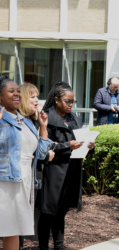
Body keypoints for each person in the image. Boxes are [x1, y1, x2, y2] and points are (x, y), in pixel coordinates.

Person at [36, 81, 96, 250]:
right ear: (56, 99)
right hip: (54, 171)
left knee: (62, 210)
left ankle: (59, 246)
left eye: (73, 101)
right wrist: (67, 146)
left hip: (72, 169)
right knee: (49, 211)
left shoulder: (72, 118)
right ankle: (43, 247)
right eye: (67, 101)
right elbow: (45, 145)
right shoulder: (46, 116)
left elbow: (79, 139)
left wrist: (89, 146)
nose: (70, 105)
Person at [0, 76, 53, 250]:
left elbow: (40, 154)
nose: (17, 94)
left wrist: (43, 127)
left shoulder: (25, 121)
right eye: (11, 91)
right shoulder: (1, 119)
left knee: (13, 230)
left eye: (17, 91)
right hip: (4, 183)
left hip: (24, 180)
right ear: (0, 97)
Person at [18, 82, 55, 250]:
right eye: (32, 97)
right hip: (17, 178)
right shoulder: (16, 121)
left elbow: (40, 153)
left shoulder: (31, 122)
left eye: (37, 97)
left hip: (28, 179)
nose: (36, 101)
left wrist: (43, 126)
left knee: (18, 227)